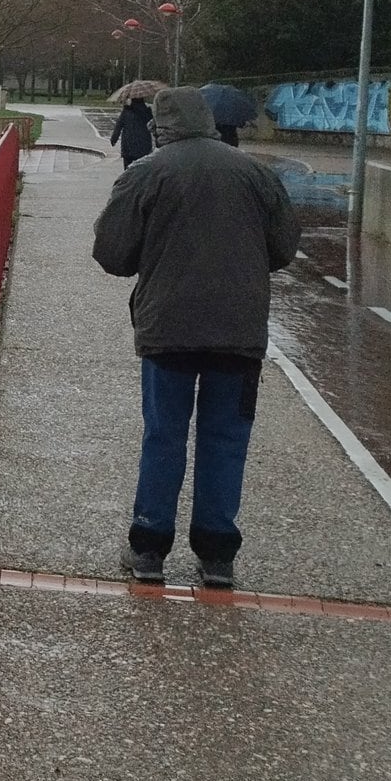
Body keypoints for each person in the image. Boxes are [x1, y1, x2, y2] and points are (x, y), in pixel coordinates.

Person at [91, 86, 299, 589]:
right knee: (226, 439)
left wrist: (157, 257)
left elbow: (112, 254)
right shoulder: (255, 174)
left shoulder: (146, 174)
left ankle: (148, 549)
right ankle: (217, 555)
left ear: (161, 126)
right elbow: (283, 248)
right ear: (208, 119)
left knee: (164, 434)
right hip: (239, 332)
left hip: (168, 331)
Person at [111, 95, 153, 167]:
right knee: (142, 168)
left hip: (128, 146)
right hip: (144, 146)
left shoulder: (126, 111)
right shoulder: (147, 112)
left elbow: (119, 126)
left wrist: (114, 139)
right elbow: (153, 125)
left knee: (127, 170)